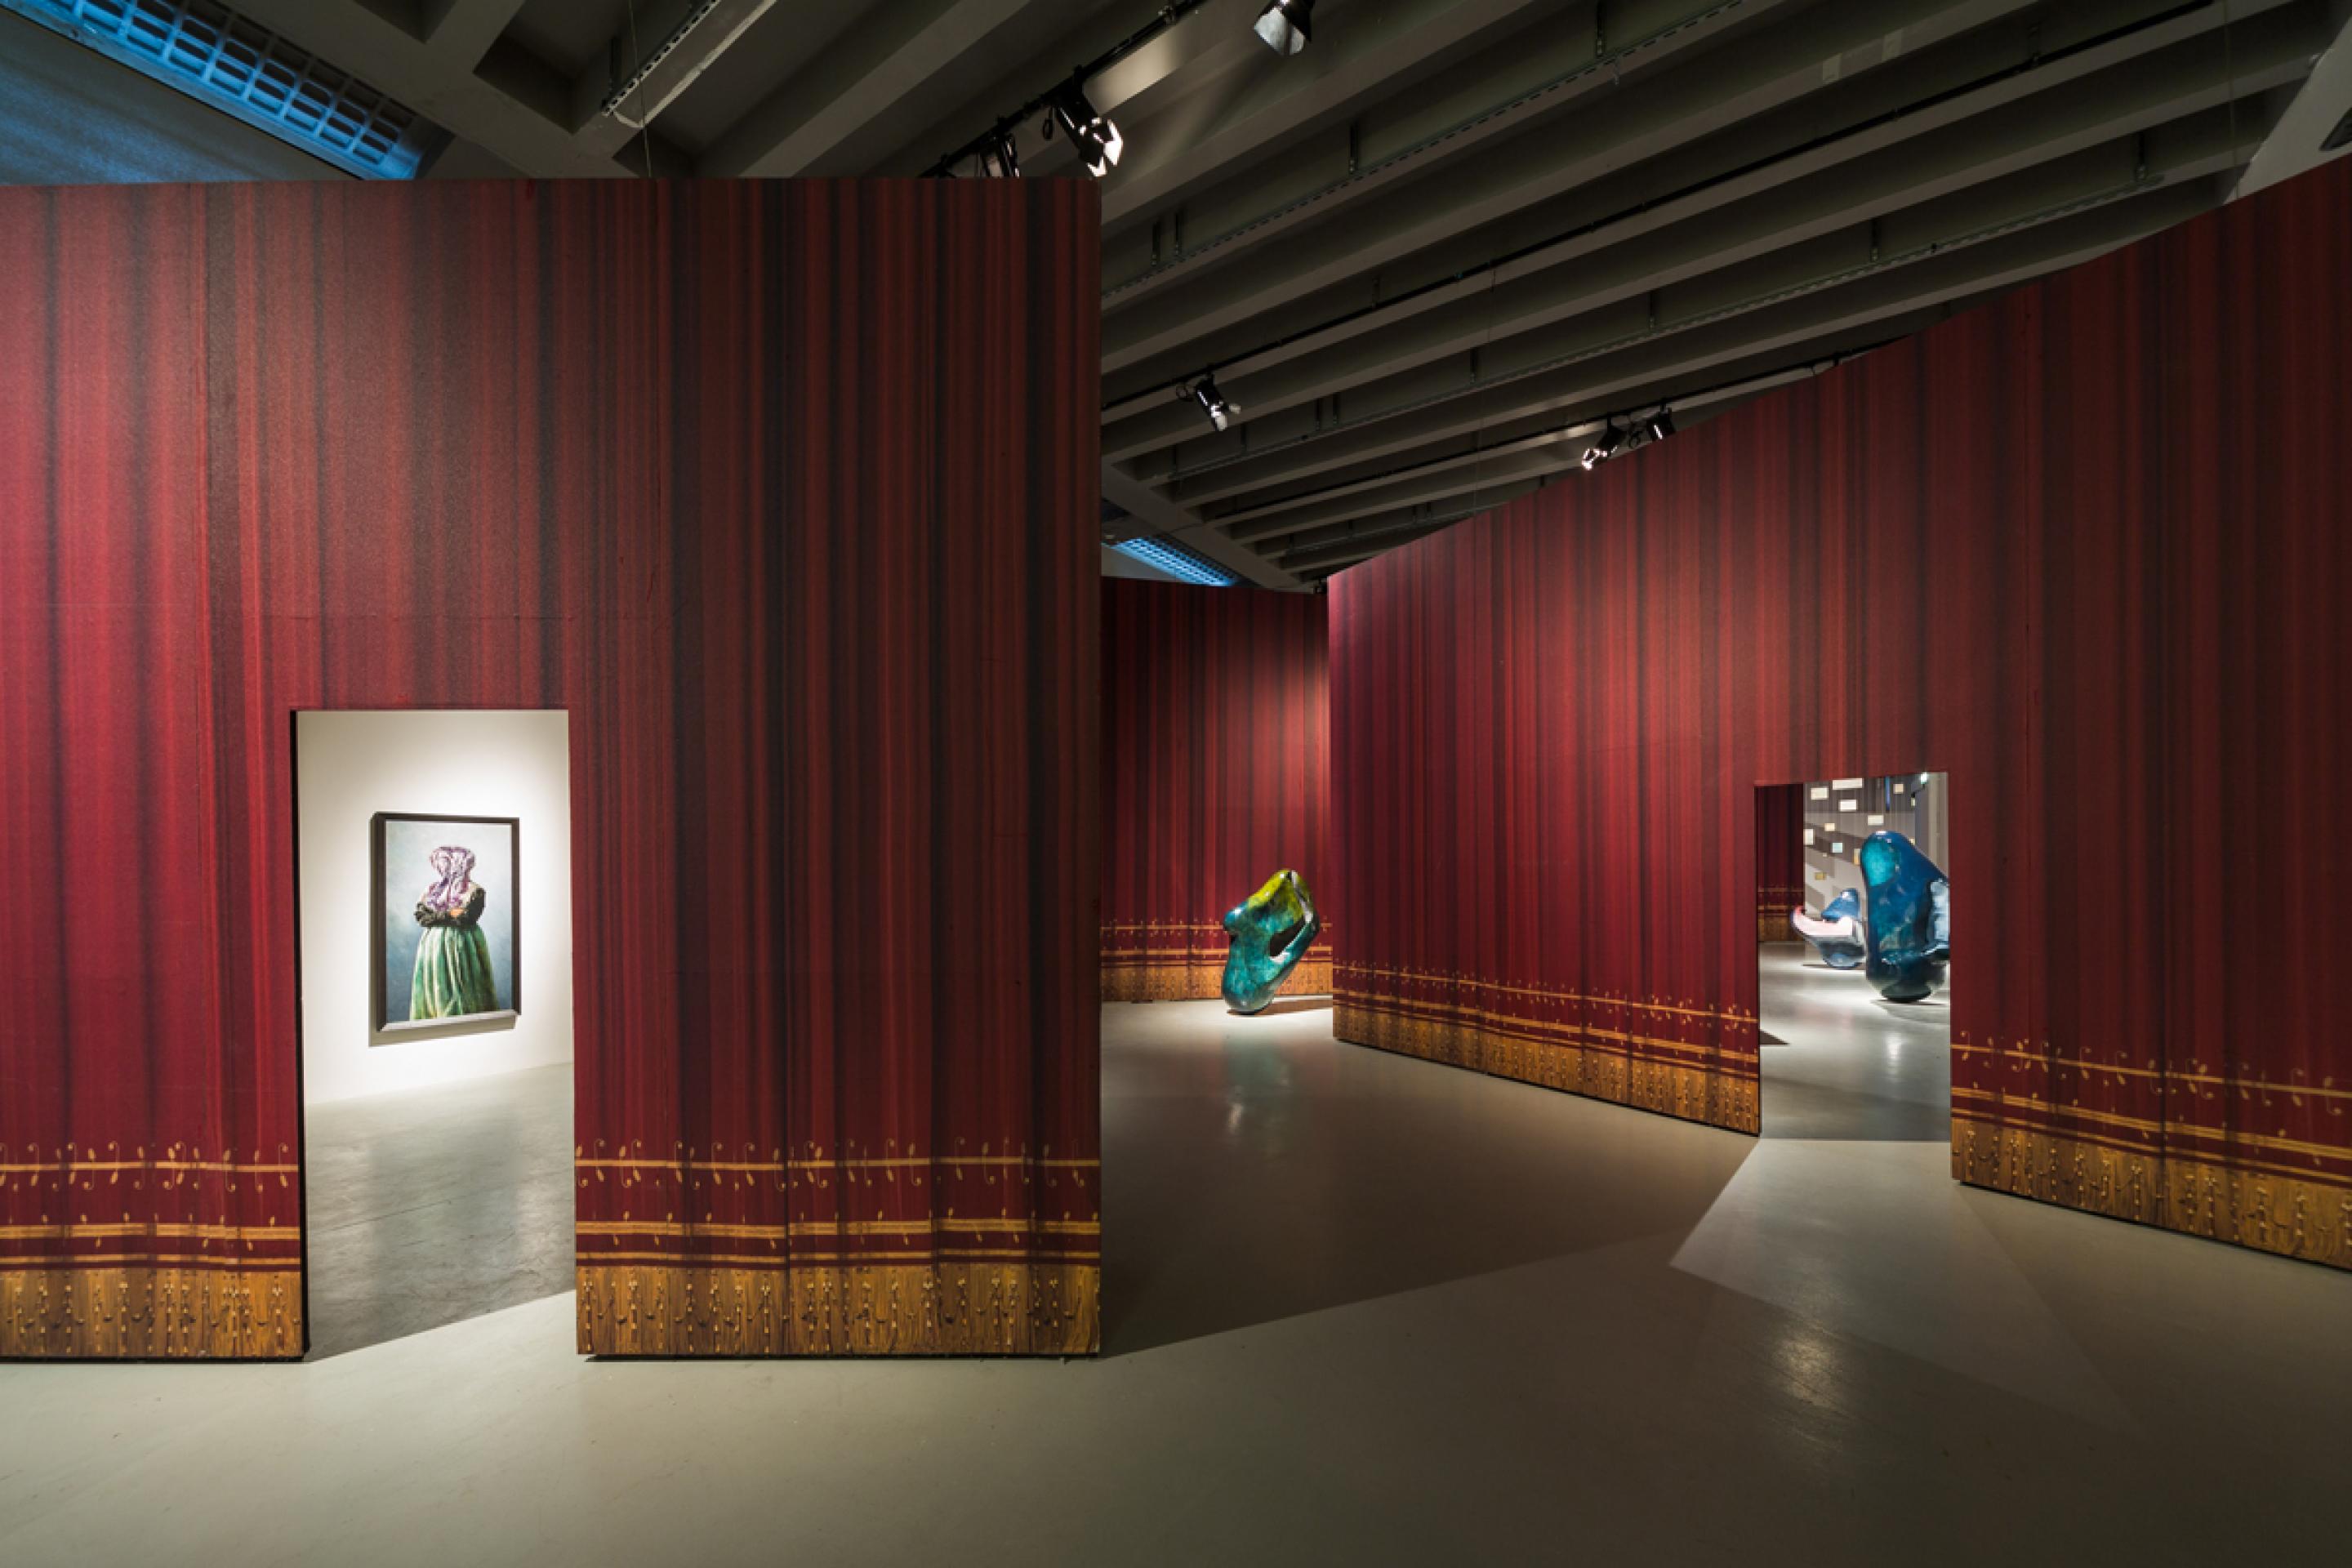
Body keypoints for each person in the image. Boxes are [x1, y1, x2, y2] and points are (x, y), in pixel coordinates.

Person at [412, 844, 497, 1018]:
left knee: (464, 982)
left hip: (464, 942)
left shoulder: (475, 891)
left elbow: (467, 918)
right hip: (434, 945)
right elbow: (421, 917)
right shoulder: (431, 890)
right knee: (438, 984)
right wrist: (450, 913)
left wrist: (437, 916)